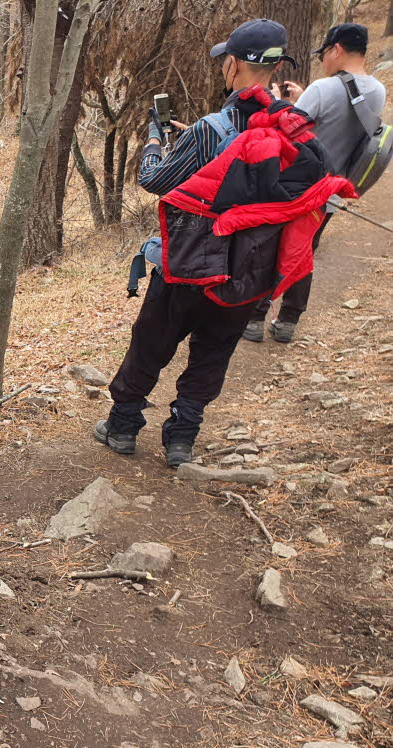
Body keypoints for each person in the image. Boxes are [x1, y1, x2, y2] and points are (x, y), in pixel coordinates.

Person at [95, 19, 337, 467]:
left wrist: (155, 139)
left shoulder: (211, 129)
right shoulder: (290, 130)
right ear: (276, 66)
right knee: (214, 351)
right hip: (250, 270)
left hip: (191, 262)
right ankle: (182, 438)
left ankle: (123, 426)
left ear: (232, 65)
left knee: (152, 341)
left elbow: (154, 180)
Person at [244, 23, 387, 344]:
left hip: (295, 189)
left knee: (272, 250)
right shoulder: (378, 91)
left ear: (337, 49)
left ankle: (254, 318)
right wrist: (303, 99)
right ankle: (288, 321)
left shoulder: (322, 89)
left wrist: (279, 101)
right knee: (304, 252)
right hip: (331, 192)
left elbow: (286, 130)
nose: (322, 60)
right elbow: (340, 122)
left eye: (324, 54)